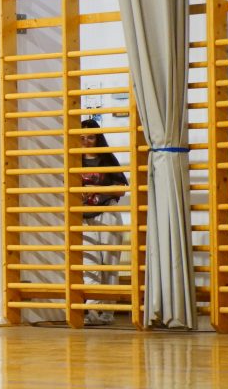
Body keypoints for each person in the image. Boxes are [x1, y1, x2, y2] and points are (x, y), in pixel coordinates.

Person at [79, 119, 128, 326]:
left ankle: (108, 311)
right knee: (89, 265)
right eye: (82, 138)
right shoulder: (74, 161)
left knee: (109, 264)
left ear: (98, 138)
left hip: (107, 214)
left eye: (91, 137)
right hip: (84, 217)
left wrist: (97, 189)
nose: (86, 142)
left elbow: (121, 189)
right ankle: (92, 310)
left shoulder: (107, 159)